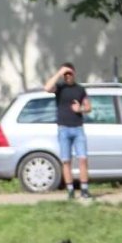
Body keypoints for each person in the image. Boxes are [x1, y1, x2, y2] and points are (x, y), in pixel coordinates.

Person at [44, 63, 93, 201]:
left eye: (69, 73)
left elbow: (89, 107)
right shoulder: (59, 88)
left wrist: (80, 109)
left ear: (74, 73)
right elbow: (47, 88)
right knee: (66, 161)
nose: (67, 76)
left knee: (83, 159)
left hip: (78, 128)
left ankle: (84, 190)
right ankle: (70, 191)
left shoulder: (80, 89)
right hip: (63, 129)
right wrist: (59, 73)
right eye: (65, 74)